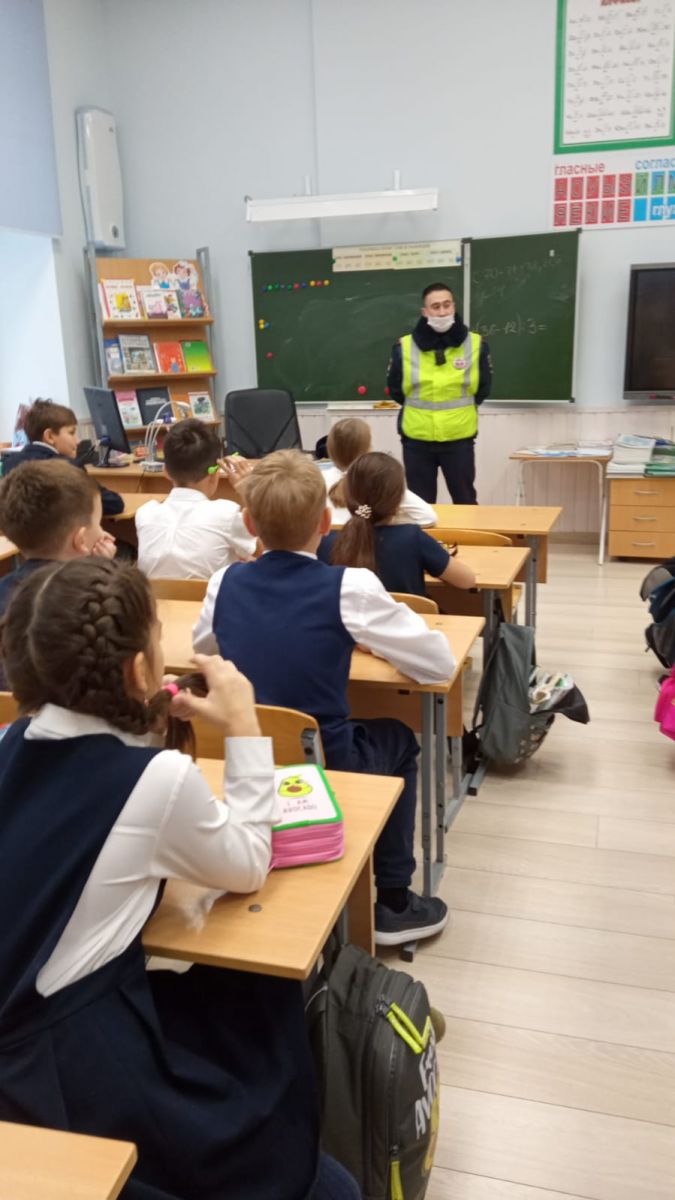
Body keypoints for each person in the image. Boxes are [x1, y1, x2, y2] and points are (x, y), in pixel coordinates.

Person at [0, 557, 360, 1200]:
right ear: (141, 671)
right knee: (312, 1164)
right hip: (69, 1073)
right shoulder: (153, 779)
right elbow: (248, 862)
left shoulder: (8, 741)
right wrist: (243, 724)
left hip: (29, 1039)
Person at [193, 450, 455, 946]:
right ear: (324, 521)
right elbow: (439, 664)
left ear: (249, 523)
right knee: (400, 738)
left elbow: (203, 648)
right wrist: (373, 640)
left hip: (243, 758)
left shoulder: (224, 581)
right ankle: (394, 900)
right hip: (325, 762)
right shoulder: (349, 587)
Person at [387, 282, 492, 505]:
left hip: (459, 438)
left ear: (454, 306)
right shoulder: (403, 347)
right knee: (420, 506)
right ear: (425, 312)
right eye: (435, 307)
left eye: (447, 305)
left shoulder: (476, 344)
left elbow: (483, 388)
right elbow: (396, 391)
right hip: (417, 439)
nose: (442, 312)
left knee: (465, 502)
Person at [318, 452, 476, 597]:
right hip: (407, 618)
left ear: (346, 494)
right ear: (400, 499)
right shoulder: (412, 537)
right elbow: (467, 581)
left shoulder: (326, 542)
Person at [135, 418, 255, 579]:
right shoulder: (227, 514)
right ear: (214, 473)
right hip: (211, 596)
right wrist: (249, 493)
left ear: (166, 472)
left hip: (155, 596)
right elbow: (264, 552)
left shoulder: (145, 514)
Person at [0, 459, 115, 617]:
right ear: (80, 540)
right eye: (98, 523)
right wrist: (105, 569)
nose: (102, 533)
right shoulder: (96, 598)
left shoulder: (5, 589)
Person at [3, 398, 124, 516]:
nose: (78, 440)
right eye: (71, 433)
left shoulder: (9, 463)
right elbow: (113, 504)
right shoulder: (66, 467)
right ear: (50, 436)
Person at [322, 418, 436, 527]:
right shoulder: (378, 478)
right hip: (371, 539)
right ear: (368, 450)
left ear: (330, 450)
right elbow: (428, 518)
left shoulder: (320, 478)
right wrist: (390, 521)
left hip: (326, 539)